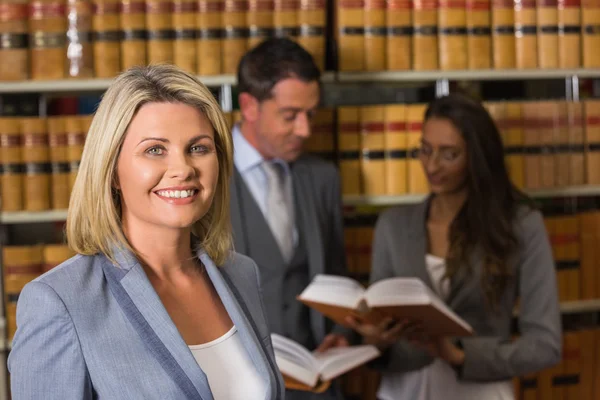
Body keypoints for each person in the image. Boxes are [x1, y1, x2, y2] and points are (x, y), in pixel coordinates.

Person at [8, 65, 284, 399]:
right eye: (155, 150)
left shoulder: (241, 274)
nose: (182, 169)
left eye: (198, 148)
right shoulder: (60, 301)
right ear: (111, 170)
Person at [347, 94, 562, 400]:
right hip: (403, 391)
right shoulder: (393, 226)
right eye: (425, 149)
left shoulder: (521, 225)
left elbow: (545, 345)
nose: (432, 165)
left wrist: (459, 354)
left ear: (477, 158)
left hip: (481, 391)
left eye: (449, 155)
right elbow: (381, 329)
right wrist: (376, 340)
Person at [229, 37, 349, 399]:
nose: (305, 130)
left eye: (310, 114)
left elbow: (335, 278)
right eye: (290, 115)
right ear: (249, 105)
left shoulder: (323, 178)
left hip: (317, 386)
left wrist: (342, 333)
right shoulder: (204, 176)